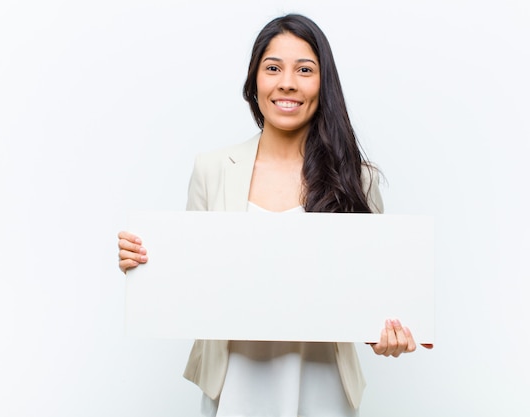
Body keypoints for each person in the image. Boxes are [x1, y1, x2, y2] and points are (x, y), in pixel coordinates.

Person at [118, 14, 431, 416]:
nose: (287, 82)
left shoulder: (357, 178)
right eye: (273, 68)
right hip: (232, 386)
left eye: (304, 69)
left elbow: (370, 296)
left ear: (324, 84)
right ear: (254, 82)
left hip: (323, 385)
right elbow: (191, 279)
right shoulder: (213, 169)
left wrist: (387, 333)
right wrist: (143, 263)